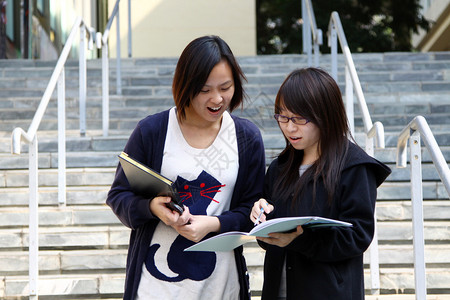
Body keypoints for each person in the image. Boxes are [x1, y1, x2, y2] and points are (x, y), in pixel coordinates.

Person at [107, 35, 265, 300]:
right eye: (205, 90)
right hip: (154, 288)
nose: (217, 99)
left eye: (225, 87)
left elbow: (251, 211)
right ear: (185, 85)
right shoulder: (152, 131)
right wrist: (151, 208)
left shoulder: (246, 137)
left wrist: (214, 223)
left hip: (221, 287)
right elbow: (119, 196)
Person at [250, 67, 391, 300]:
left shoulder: (353, 167)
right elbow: (267, 242)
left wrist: (300, 239)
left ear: (325, 115)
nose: (289, 127)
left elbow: (358, 236)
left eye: (299, 119)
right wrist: (261, 216)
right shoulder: (280, 168)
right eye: (282, 117)